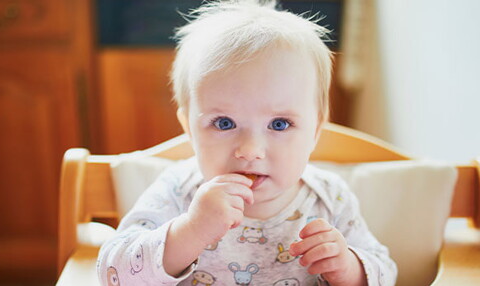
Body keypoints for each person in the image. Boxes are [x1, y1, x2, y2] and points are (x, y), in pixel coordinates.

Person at [97, 1, 397, 285]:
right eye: (224, 123)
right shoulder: (177, 192)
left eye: (279, 124)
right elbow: (113, 274)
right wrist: (190, 230)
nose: (250, 151)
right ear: (189, 128)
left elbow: (385, 272)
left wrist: (349, 268)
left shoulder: (330, 198)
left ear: (316, 129)